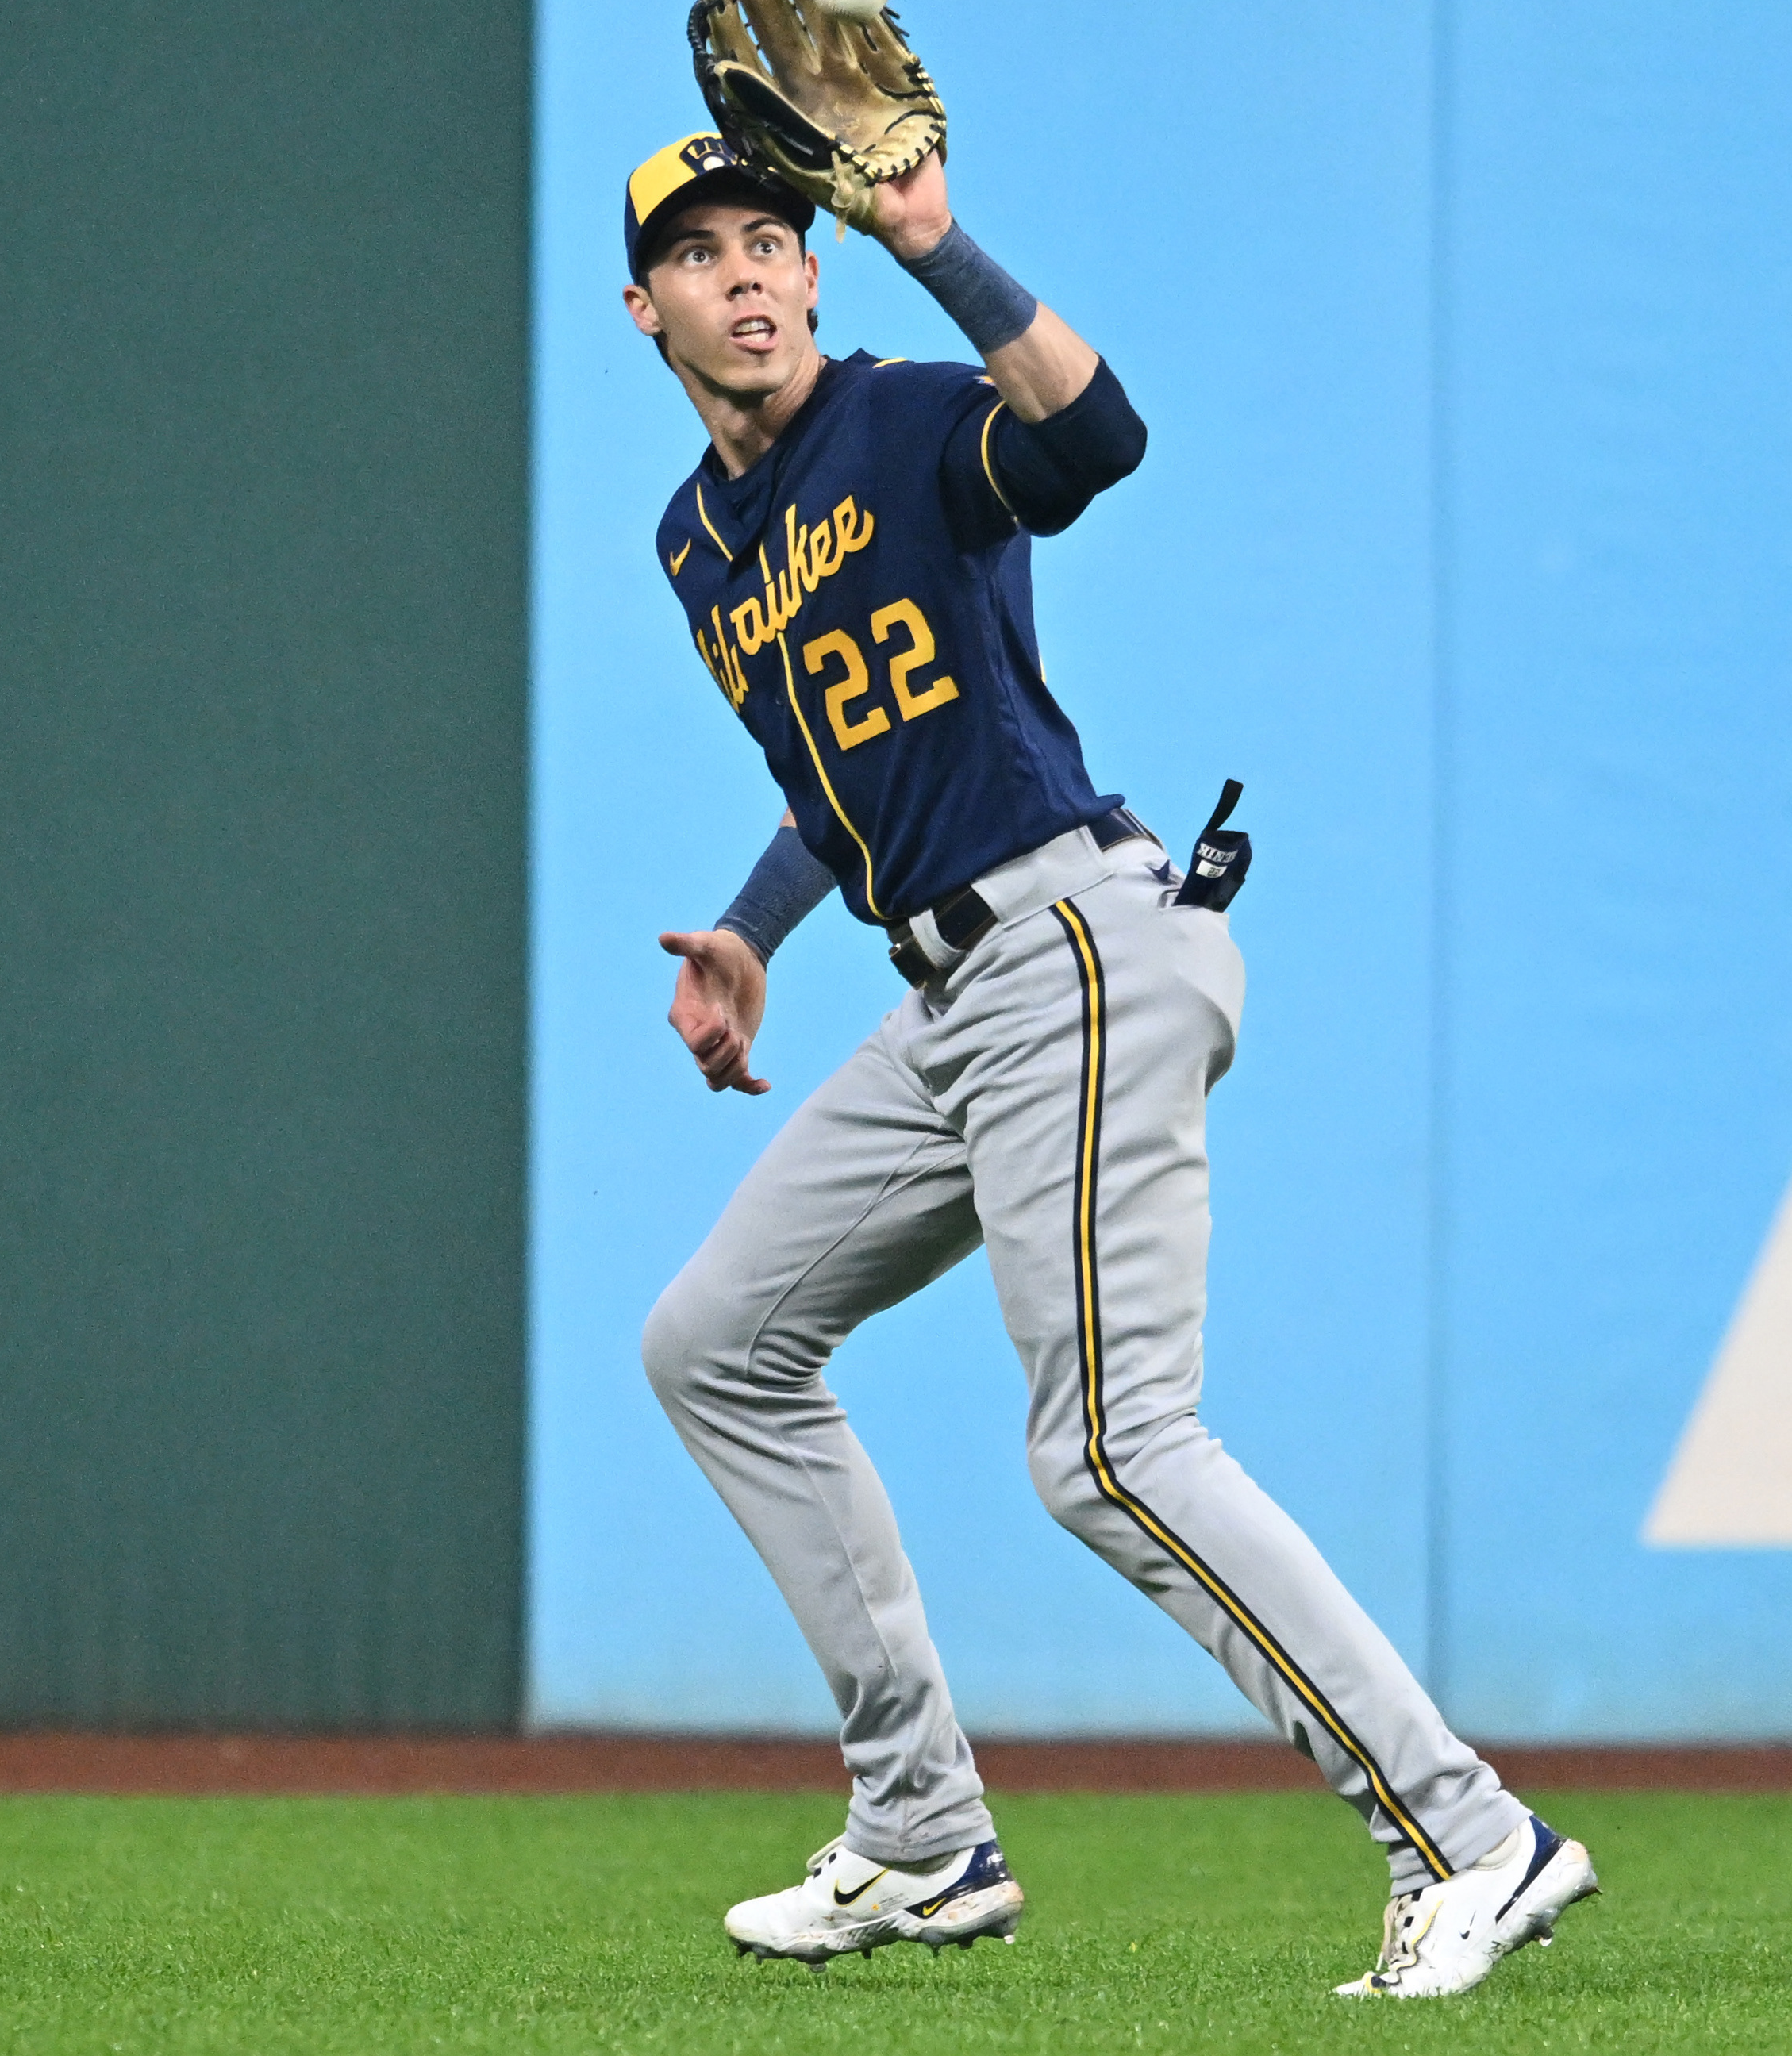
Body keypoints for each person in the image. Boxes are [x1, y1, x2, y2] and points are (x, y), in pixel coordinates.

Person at [619, 127, 1598, 2000]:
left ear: (817, 278)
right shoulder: (696, 539)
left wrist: (934, 237)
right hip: (947, 997)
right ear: (644, 305)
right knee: (714, 1345)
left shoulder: (908, 415)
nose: (746, 273)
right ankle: (918, 1834)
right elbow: (846, 780)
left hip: (1071, 941)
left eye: (773, 239)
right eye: (702, 252)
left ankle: (1467, 1834)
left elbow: (1090, 444)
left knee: (1112, 1449)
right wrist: (750, 929)